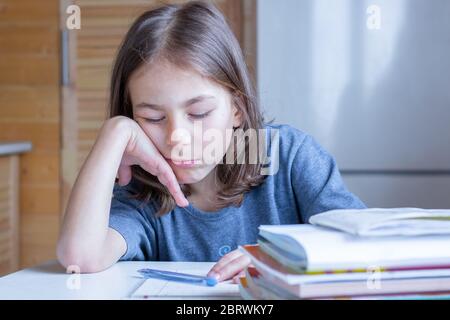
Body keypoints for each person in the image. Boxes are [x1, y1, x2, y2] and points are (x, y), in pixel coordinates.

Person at [57, 1, 366, 283]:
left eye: (199, 113)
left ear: (237, 108)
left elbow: (366, 245)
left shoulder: (290, 156)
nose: (177, 137)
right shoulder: (141, 190)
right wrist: (114, 133)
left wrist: (282, 256)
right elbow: (80, 257)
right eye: (152, 118)